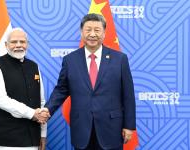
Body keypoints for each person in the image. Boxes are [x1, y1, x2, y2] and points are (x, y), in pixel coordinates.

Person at [44, 13, 136, 150]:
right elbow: (61, 89)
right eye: (88, 30)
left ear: (104, 33)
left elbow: (128, 95)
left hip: (111, 128)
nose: (92, 34)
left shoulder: (120, 59)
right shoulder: (70, 60)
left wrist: (129, 125)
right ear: (82, 32)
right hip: (82, 128)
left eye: (97, 30)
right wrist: (47, 110)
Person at [0, 28, 50, 150]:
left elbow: (40, 102)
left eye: (22, 42)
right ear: (6, 45)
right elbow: (0, 99)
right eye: (14, 42)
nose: (19, 45)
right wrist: (32, 114)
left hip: (32, 139)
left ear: (28, 44)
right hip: (4, 140)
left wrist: (42, 135)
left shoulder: (33, 66)